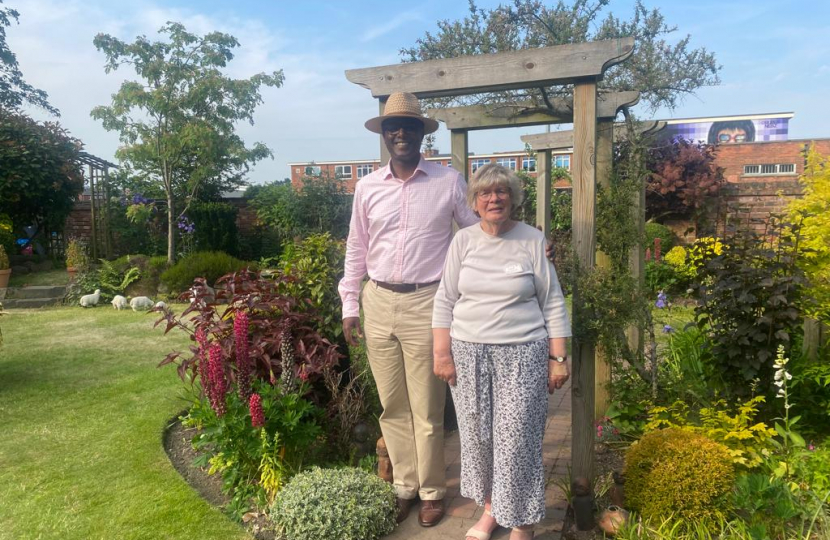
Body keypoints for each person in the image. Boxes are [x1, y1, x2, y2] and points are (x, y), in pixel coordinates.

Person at [339, 92, 480, 527]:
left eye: (409, 126)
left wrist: (528, 239)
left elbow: (478, 232)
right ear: (383, 135)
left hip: (428, 302)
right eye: (391, 127)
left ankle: (433, 490)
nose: (400, 133)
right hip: (378, 300)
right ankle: (404, 485)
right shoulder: (366, 187)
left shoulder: (447, 181)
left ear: (422, 133)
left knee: (427, 406)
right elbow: (357, 246)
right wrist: (350, 303)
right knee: (392, 406)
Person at [431, 163, 571, 540]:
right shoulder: (463, 241)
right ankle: (492, 511)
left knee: (517, 442)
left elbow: (553, 301)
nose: (494, 198)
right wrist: (441, 353)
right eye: (485, 193)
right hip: (468, 355)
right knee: (479, 441)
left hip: (522, 355)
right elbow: (445, 299)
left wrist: (558, 359)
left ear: (513, 198)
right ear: (474, 203)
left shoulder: (531, 241)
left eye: (502, 192)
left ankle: (522, 525)